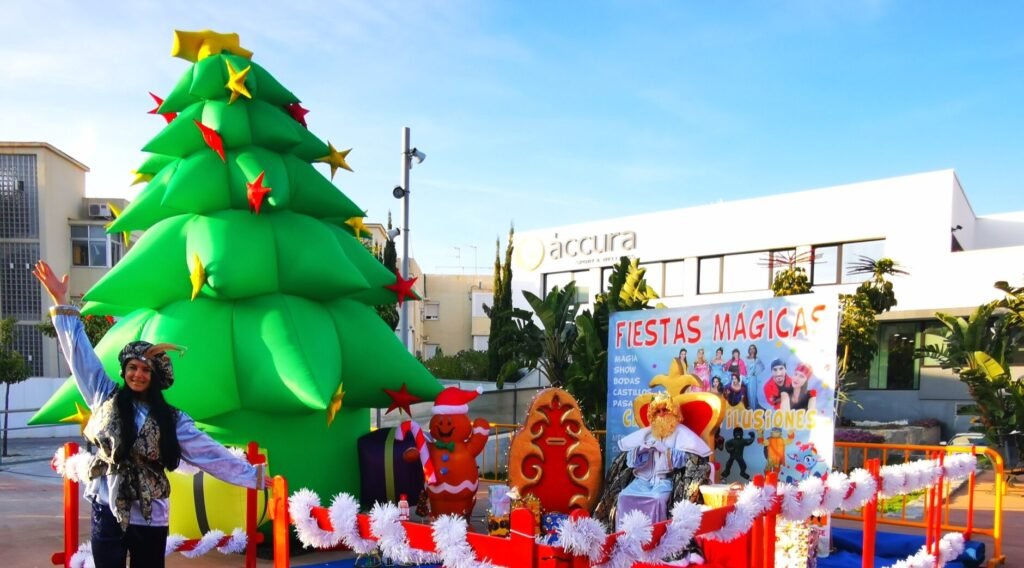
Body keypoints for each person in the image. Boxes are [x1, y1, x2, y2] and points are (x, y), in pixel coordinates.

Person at [33, 261, 265, 568]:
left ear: (155, 377)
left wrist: (253, 476)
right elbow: (80, 356)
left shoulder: (172, 420)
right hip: (108, 505)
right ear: (125, 370)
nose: (138, 375)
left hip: (151, 514)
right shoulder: (104, 396)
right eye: (133, 368)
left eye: (145, 370)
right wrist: (62, 303)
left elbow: (209, 454)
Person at [594, 395, 712, 528]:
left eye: (665, 410)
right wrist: (641, 451)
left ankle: (656, 539)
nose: (661, 414)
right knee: (623, 496)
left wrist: (665, 450)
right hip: (643, 480)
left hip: (664, 481)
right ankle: (623, 538)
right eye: (657, 411)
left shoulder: (681, 433)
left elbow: (688, 461)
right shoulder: (647, 433)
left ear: (673, 412)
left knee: (658, 499)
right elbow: (630, 460)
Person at [745, 344, 765, 410]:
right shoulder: (746, 358)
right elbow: (744, 367)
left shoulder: (757, 359)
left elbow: (762, 367)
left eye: (753, 348)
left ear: (755, 350)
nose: (752, 350)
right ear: (749, 350)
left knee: (752, 394)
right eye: (750, 348)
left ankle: (753, 409)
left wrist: (756, 373)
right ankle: (750, 408)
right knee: (748, 394)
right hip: (746, 378)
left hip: (753, 379)